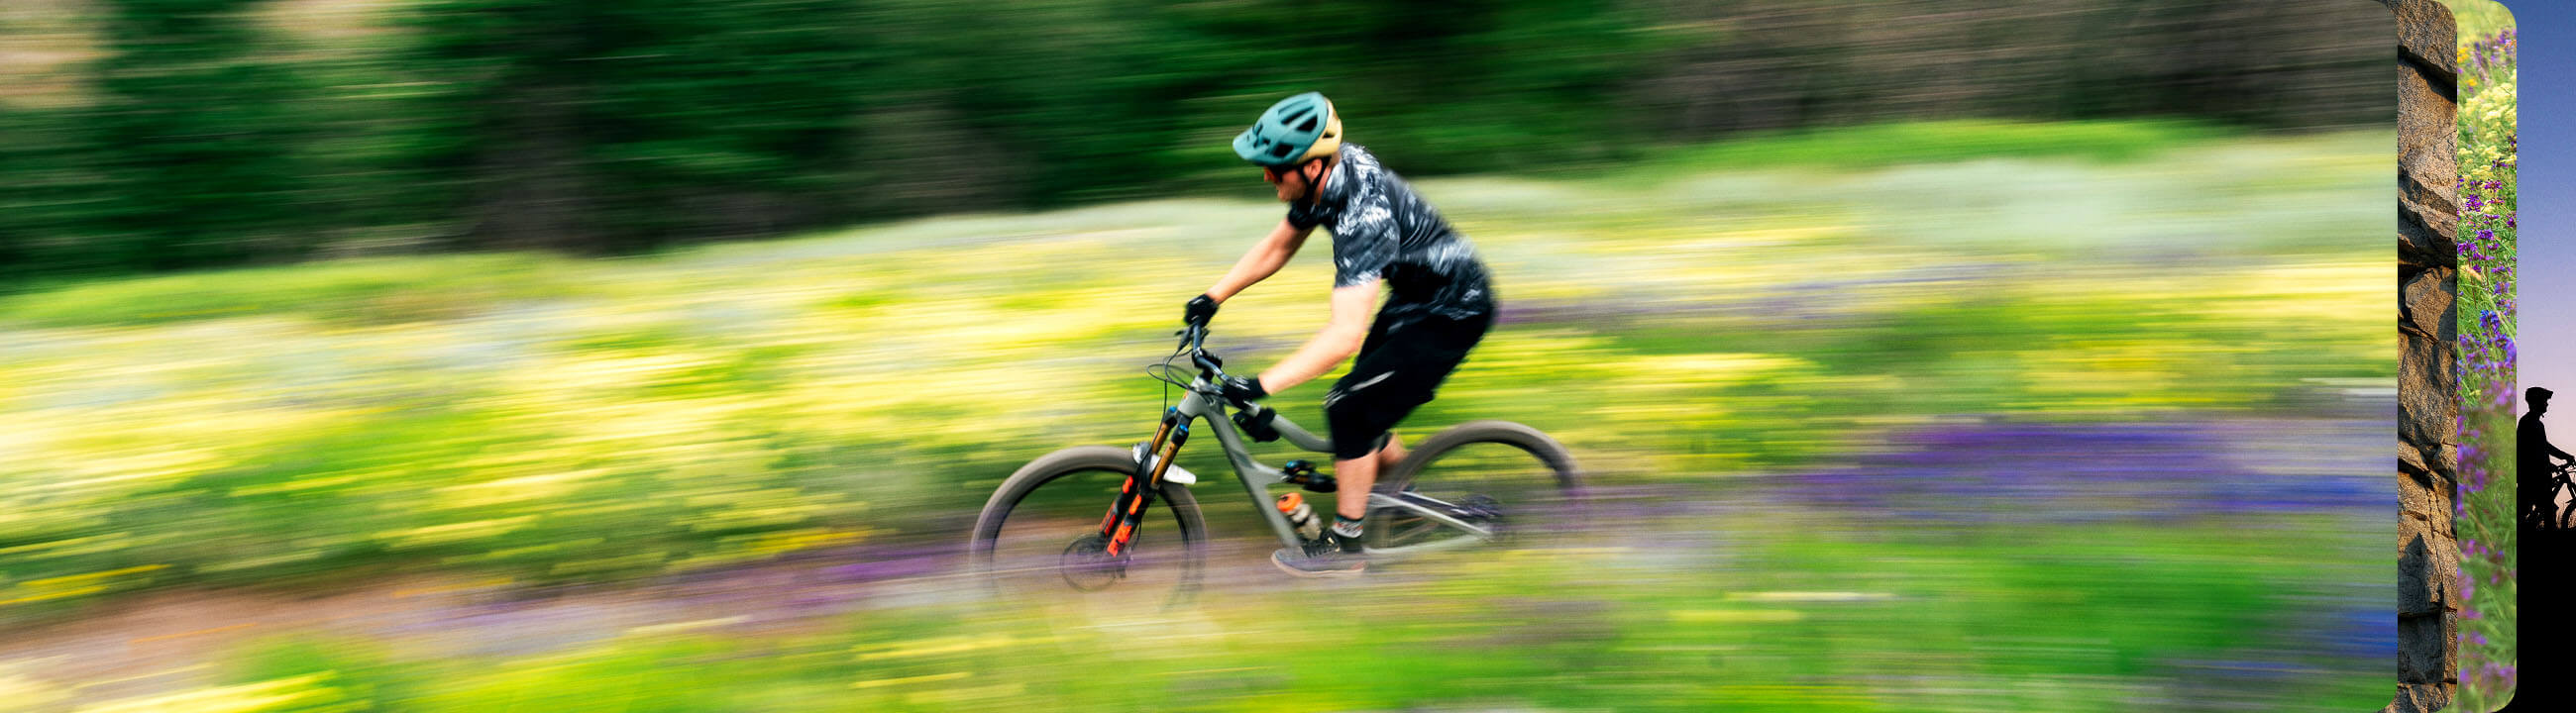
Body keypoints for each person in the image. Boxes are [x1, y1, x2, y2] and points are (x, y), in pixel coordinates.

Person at [1183, 91, 1496, 577]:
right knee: (1367, 408)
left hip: (1453, 312)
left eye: (1274, 167)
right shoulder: (1323, 180)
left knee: (1347, 407)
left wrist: (1260, 385)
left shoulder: (1362, 214)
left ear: (1311, 167)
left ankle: (1346, 547)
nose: (1265, 176)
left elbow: (1344, 335)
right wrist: (1213, 296)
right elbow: (1279, 245)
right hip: (1415, 301)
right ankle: (1405, 503)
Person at [2521, 386, 2573, 529]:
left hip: (2539, 475)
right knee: (2547, 511)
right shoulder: (2529, 423)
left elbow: (2544, 447)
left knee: (2543, 510)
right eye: (2544, 401)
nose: (2547, 403)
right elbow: (2531, 451)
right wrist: (2559, 460)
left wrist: (2563, 457)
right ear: (2537, 402)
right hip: (2533, 476)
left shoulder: (2536, 423)